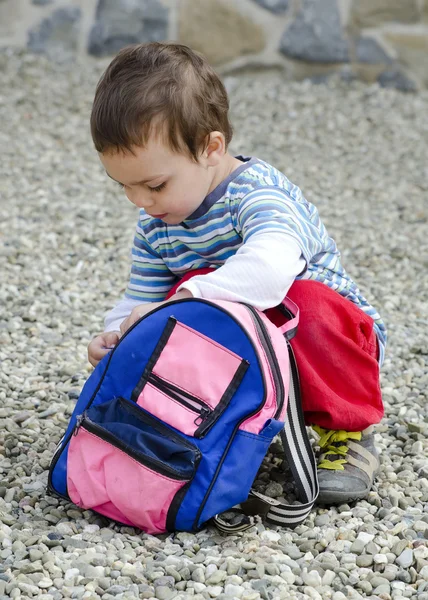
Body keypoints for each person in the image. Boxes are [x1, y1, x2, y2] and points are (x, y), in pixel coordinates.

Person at [87, 42, 386, 505]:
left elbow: (267, 272)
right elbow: (138, 297)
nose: (139, 201)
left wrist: (179, 304)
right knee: (166, 324)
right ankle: (225, 425)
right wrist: (117, 332)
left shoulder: (258, 195)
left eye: (154, 184)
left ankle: (346, 430)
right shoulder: (157, 224)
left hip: (332, 345)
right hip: (257, 348)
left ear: (211, 148)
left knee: (294, 303)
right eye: (123, 186)